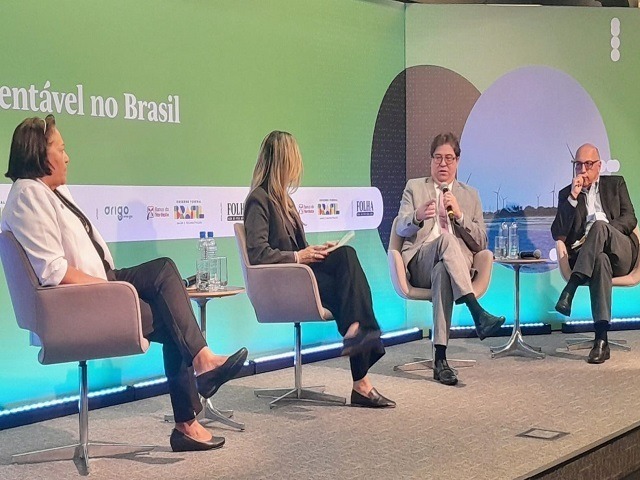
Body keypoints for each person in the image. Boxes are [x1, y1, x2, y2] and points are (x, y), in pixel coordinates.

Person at [1, 115, 248, 452]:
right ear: (39, 154)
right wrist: (113, 291)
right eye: (61, 149)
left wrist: (112, 285)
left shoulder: (50, 192)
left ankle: (201, 371)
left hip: (101, 285)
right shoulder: (28, 194)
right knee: (173, 318)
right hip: (80, 303)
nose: (68, 157)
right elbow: (54, 271)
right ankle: (188, 418)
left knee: (165, 271)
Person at [243, 130, 395, 408]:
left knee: (345, 256)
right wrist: (300, 256)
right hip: (281, 284)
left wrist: (316, 250)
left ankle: (359, 338)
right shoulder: (259, 199)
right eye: (294, 160)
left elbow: (298, 249)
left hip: (300, 277)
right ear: (284, 162)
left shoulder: (285, 201)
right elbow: (258, 253)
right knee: (347, 293)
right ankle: (364, 343)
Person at [396, 132, 505, 386]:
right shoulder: (415, 188)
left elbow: (481, 243)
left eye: (448, 158)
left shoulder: (470, 195)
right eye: (437, 158)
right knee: (445, 241)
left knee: (443, 271)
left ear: (457, 161)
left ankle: (440, 359)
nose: (442, 164)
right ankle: (476, 311)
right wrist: (417, 216)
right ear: (431, 160)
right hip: (421, 261)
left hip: (456, 268)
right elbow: (400, 227)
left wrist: (460, 215)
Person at [551, 143, 638, 364]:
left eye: (588, 164)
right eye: (578, 165)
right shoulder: (567, 194)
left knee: (599, 226)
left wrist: (606, 231)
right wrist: (572, 198)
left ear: (599, 166)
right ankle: (601, 339)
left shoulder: (615, 184)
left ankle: (570, 288)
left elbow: (630, 218)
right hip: (590, 259)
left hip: (621, 251)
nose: (583, 170)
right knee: (600, 260)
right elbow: (558, 233)